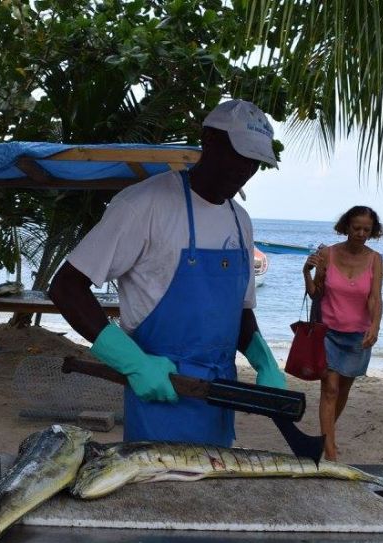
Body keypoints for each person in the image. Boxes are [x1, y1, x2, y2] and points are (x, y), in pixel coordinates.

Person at [49, 99, 285, 446]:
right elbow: (67, 287)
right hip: (160, 392)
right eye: (238, 155)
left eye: (254, 162)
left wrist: (264, 362)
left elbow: (240, 309)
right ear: (209, 140)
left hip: (219, 396)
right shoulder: (144, 204)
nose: (244, 169)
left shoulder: (240, 221)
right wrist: (132, 362)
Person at [303, 206, 383, 461]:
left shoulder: (375, 259)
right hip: (327, 331)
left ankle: (326, 436)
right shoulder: (327, 254)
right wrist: (306, 271)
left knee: (343, 391)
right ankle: (330, 453)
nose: (360, 234)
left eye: (366, 230)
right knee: (330, 388)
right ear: (346, 227)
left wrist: (375, 326)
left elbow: (375, 297)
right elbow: (316, 293)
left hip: (357, 335)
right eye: (356, 228)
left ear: (372, 232)